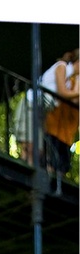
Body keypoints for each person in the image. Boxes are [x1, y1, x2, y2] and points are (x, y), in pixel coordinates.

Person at [14, 49, 79, 165]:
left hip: (41, 111)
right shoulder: (62, 66)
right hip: (31, 105)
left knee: (38, 150)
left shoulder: (70, 79)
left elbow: (74, 99)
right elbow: (62, 92)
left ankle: (30, 173)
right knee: (29, 145)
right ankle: (25, 171)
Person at [44, 53, 79, 185]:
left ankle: (58, 185)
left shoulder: (73, 78)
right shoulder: (65, 72)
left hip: (67, 132)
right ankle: (50, 182)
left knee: (63, 162)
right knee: (51, 158)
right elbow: (66, 95)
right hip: (53, 125)